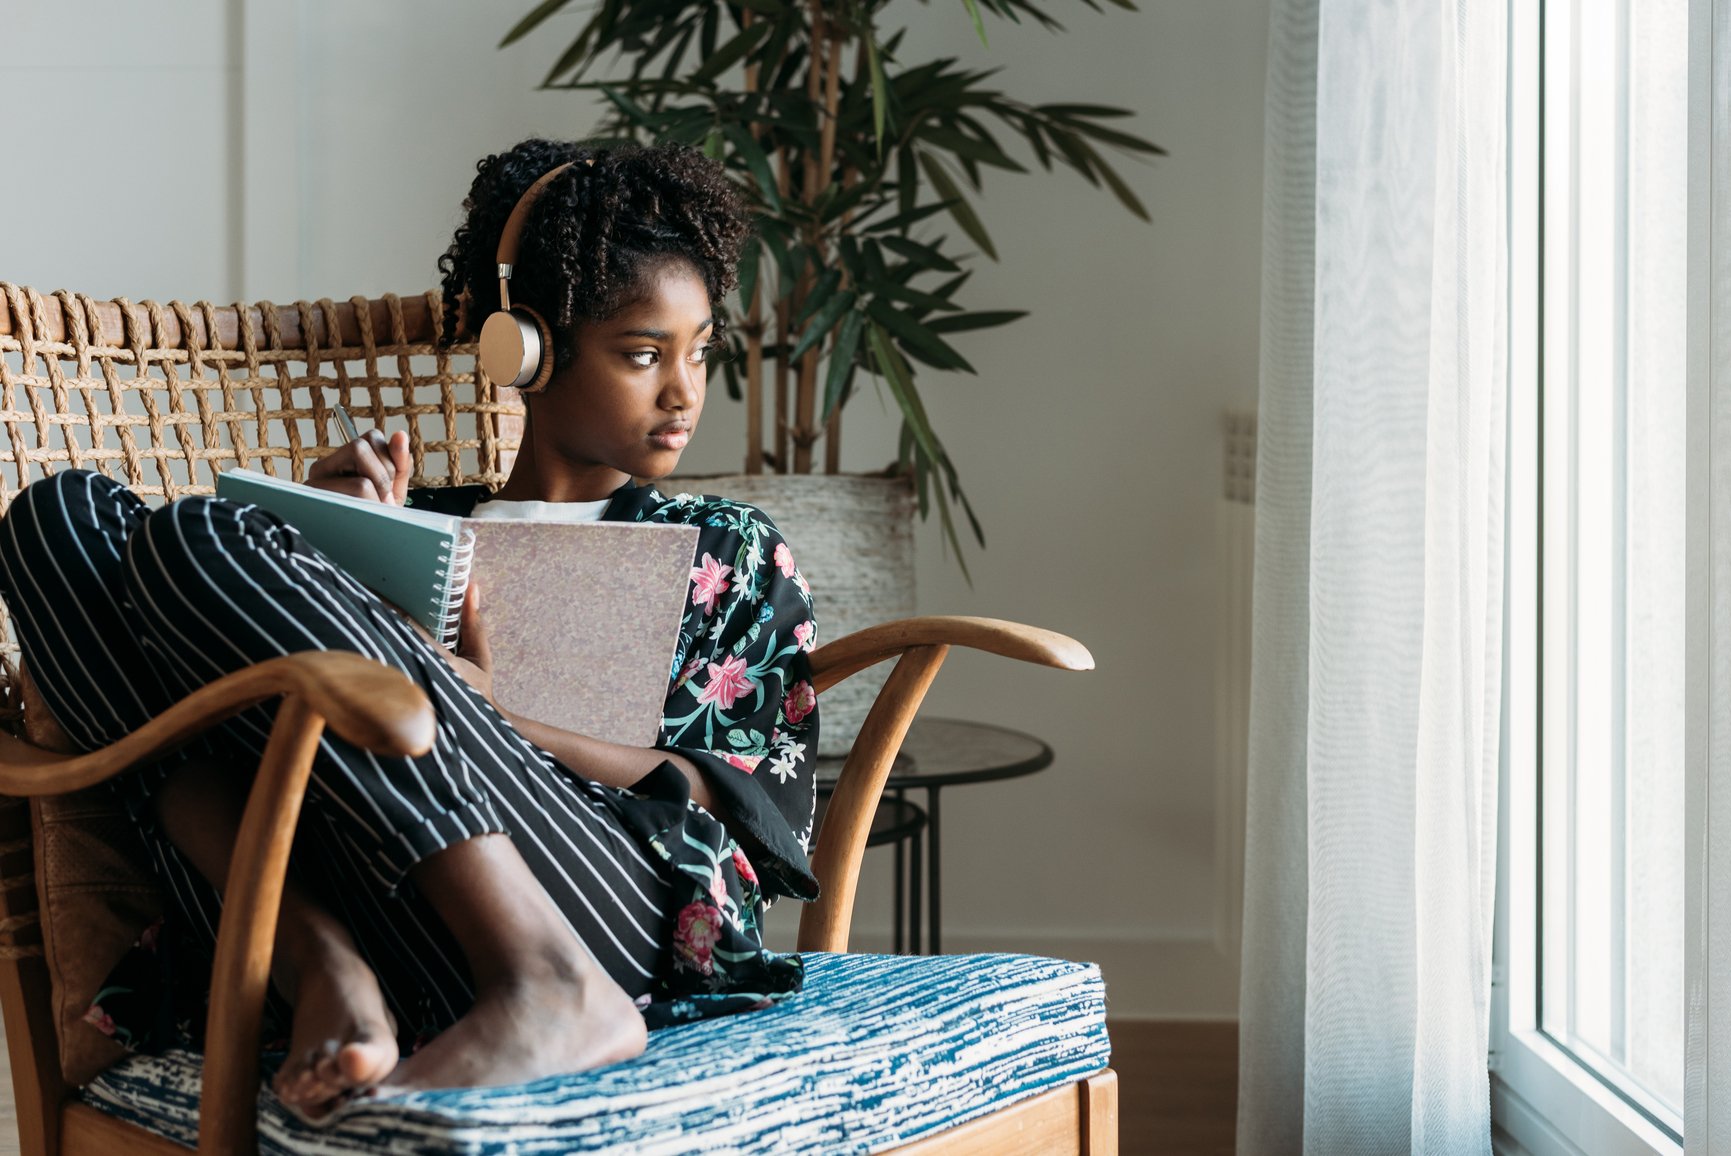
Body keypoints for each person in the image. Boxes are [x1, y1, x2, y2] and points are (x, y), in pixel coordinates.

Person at [0, 138, 819, 1115]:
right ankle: (319, 966)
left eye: (698, 353)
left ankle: (547, 982)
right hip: (362, 887)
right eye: (643, 354)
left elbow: (712, 793)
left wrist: (488, 703)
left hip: (604, 899)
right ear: (527, 346)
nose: (685, 391)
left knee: (200, 530)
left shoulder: (722, 544)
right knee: (62, 522)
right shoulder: (416, 522)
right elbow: (249, 721)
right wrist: (296, 556)